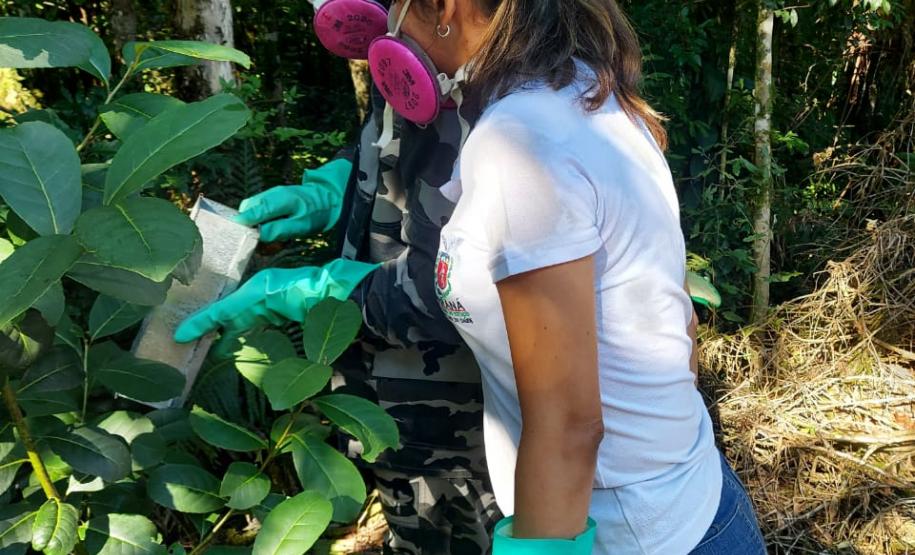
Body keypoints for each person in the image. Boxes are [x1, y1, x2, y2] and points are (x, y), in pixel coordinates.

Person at [363, 0, 769, 553]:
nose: (390, 28)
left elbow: (569, 425)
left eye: (397, 9)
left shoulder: (519, 144)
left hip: (628, 533)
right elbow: (680, 320)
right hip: (686, 507)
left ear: (445, 9)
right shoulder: (588, 92)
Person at [173, 1, 502, 551]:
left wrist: (320, 293)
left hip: (455, 421)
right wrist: (338, 188)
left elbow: (464, 292)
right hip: (382, 395)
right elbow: (397, 145)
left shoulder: (500, 86)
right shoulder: (414, 41)